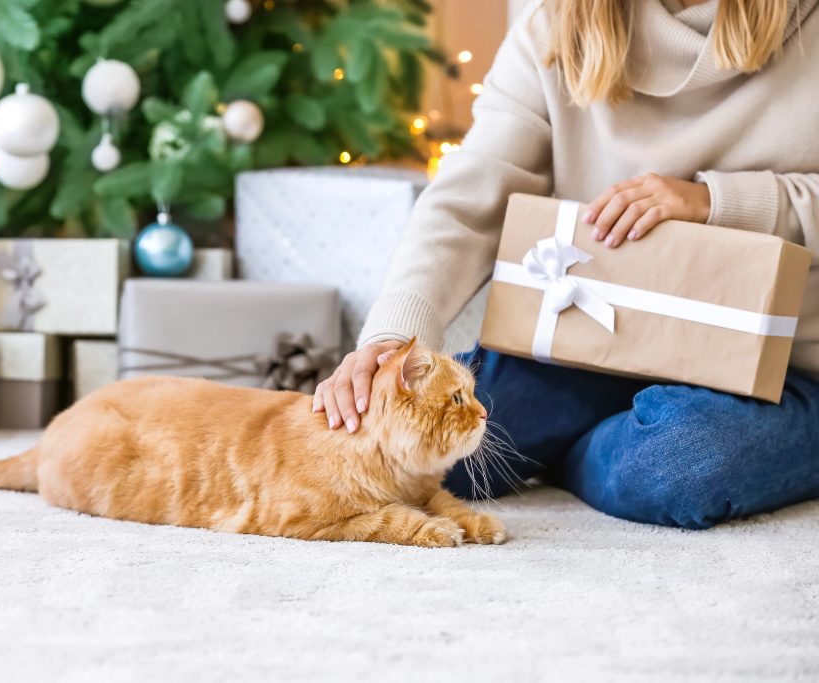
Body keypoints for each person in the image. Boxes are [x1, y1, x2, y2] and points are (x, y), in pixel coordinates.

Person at [314, 0, 819, 530]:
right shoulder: (558, 24)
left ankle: (569, 453)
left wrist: (718, 202)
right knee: (424, 451)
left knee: (676, 461)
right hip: (593, 343)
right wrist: (391, 337)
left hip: (784, 369)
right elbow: (470, 198)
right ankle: (600, 433)